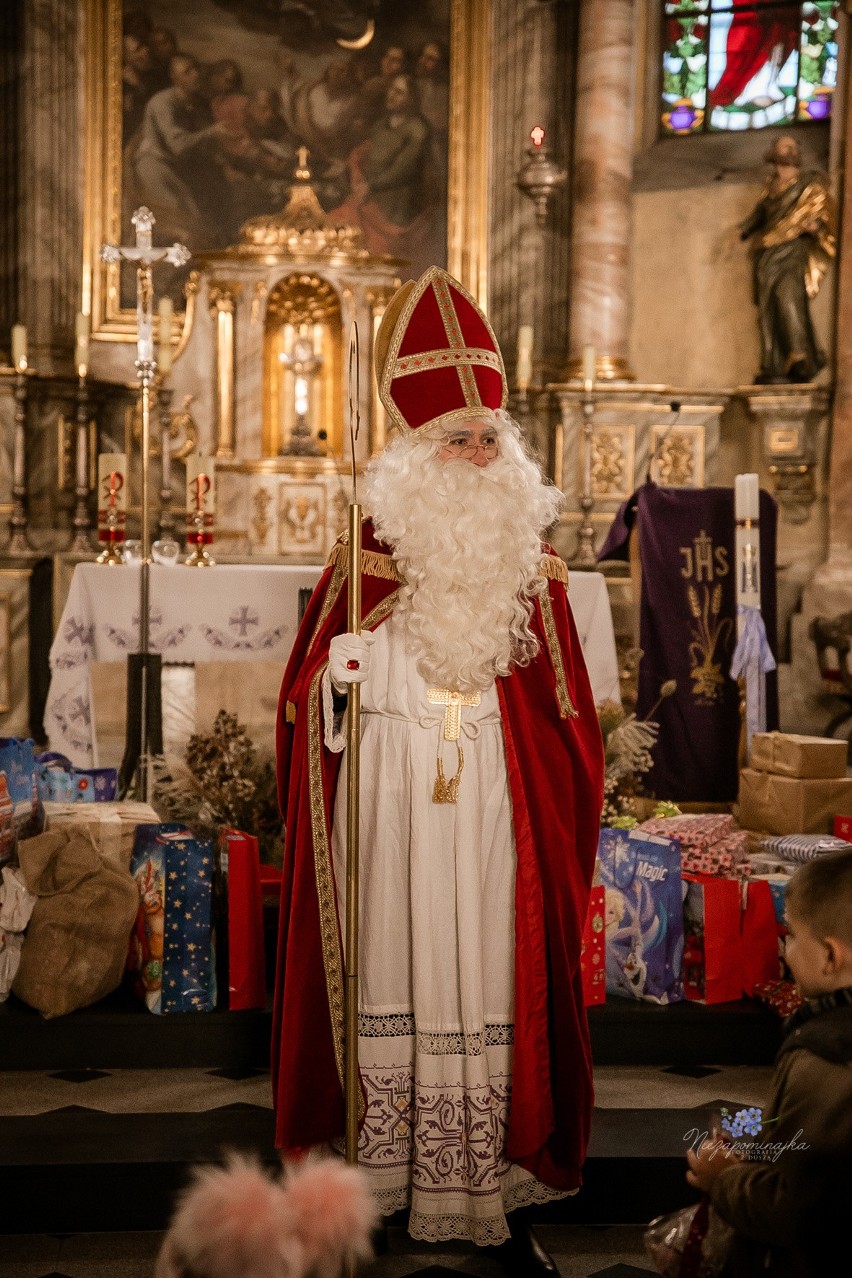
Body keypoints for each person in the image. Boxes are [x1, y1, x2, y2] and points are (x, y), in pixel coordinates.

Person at [272, 266, 605, 1275]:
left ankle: (480, 1177)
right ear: (416, 453)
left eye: (488, 437)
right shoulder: (362, 562)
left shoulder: (533, 574)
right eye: (455, 437)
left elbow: (570, 734)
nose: (475, 453)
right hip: (391, 818)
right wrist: (340, 678)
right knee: (399, 956)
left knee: (490, 964)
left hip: (497, 819)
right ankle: (384, 1173)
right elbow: (301, 709)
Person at [685, 848, 852, 1276]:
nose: (787, 951)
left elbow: (794, 1207)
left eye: (792, 936)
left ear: (831, 957)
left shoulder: (825, 1055)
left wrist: (723, 1178)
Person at [740, 135, 835, 383]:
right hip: (767, 253)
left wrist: (816, 226)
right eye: (785, 146)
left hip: (793, 250)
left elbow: (824, 213)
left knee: (788, 295)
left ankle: (800, 355)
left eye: (794, 147)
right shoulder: (770, 187)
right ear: (775, 154)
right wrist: (743, 230)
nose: (791, 150)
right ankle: (773, 362)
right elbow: (759, 215)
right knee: (768, 306)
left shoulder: (809, 186)